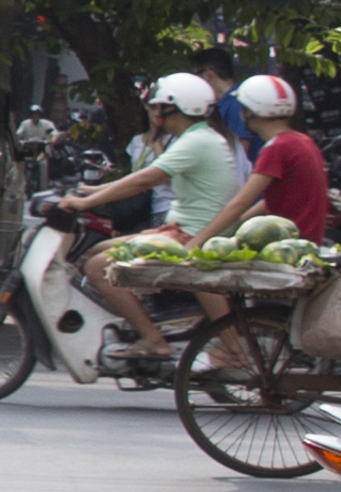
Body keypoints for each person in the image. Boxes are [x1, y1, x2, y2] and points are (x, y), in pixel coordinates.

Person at [60, 70, 242, 353]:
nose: (155, 113)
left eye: (159, 107)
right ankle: (146, 322)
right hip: (180, 229)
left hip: (190, 236)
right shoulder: (198, 137)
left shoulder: (196, 141)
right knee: (101, 248)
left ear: (178, 107)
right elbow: (143, 176)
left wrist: (86, 203)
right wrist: (91, 192)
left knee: (96, 268)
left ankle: (153, 339)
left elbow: (146, 179)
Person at [231, 74, 341, 243]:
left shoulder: (277, 148)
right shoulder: (303, 141)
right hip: (310, 240)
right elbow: (269, 202)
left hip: (288, 243)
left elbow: (240, 203)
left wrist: (198, 241)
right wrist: (237, 225)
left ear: (249, 112)